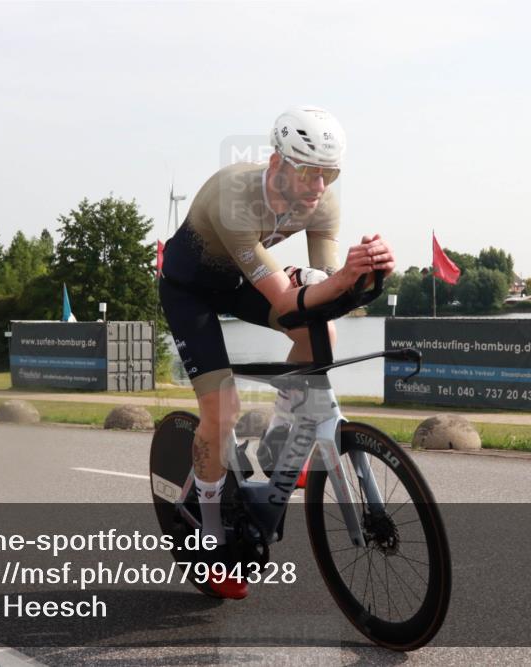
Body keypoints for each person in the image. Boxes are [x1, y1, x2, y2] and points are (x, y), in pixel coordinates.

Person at [158, 106, 395, 598]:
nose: (318, 185)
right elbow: (287, 301)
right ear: (277, 162)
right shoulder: (235, 199)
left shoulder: (323, 202)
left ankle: (282, 436)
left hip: (239, 282)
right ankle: (210, 531)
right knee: (222, 410)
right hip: (191, 290)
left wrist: (363, 275)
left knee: (320, 336)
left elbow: (322, 289)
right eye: (308, 171)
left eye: (329, 173)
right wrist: (340, 280)